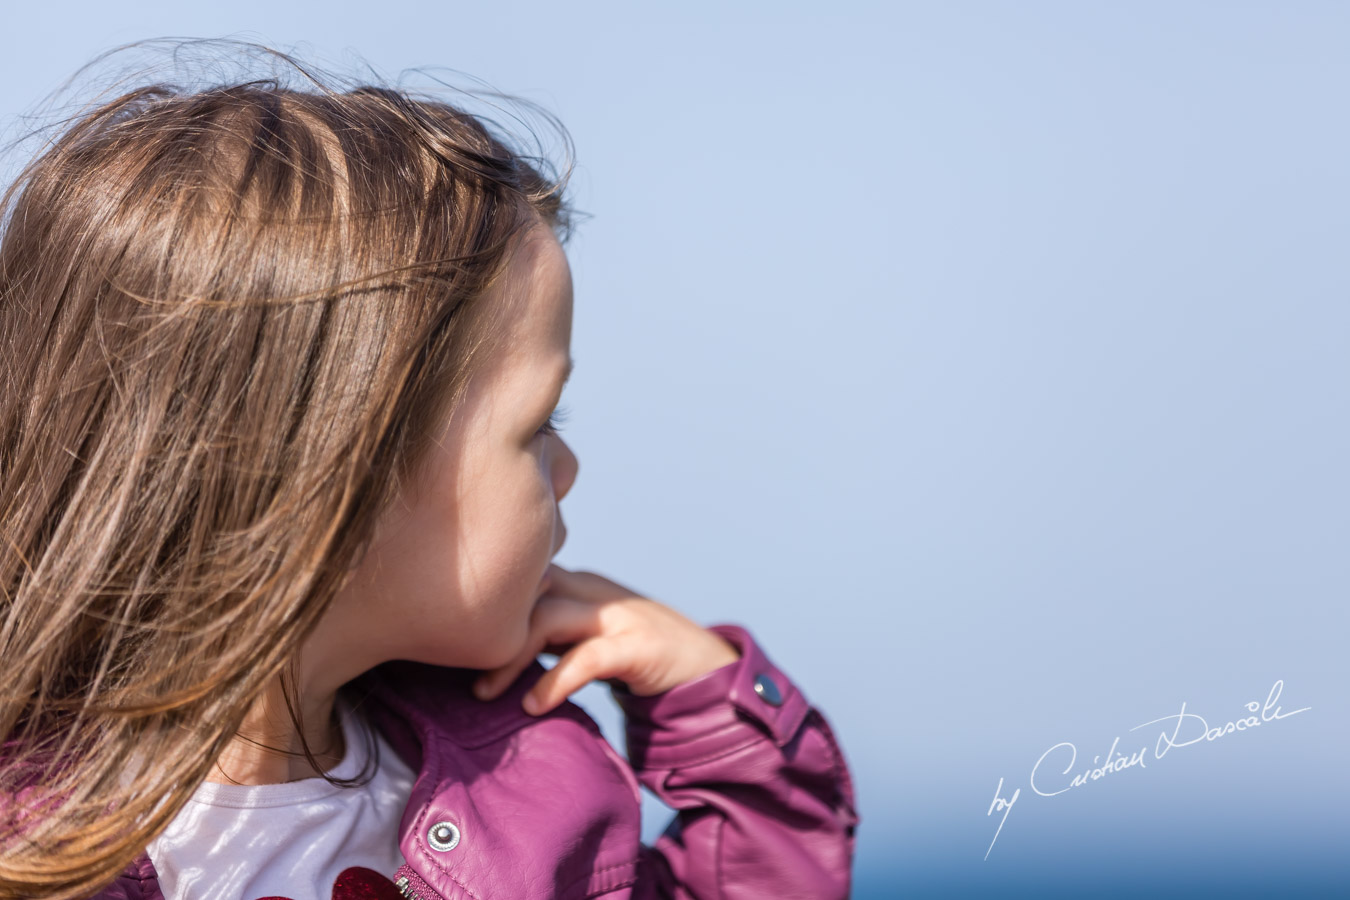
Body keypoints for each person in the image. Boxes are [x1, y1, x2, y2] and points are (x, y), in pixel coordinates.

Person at [0, 41, 860, 900]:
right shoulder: (30, 850)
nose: (568, 469)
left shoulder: (531, 792)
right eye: (537, 427)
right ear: (332, 480)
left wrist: (721, 723)